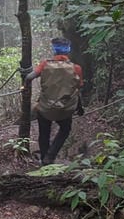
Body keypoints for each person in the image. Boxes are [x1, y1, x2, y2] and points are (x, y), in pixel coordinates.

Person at [23, 37, 84, 165]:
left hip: (45, 108)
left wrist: (25, 85)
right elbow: (79, 86)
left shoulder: (45, 64)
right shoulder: (76, 68)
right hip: (65, 109)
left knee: (44, 132)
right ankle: (50, 156)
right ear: (68, 51)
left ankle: (45, 160)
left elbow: (29, 77)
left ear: (54, 50)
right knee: (65, 129)